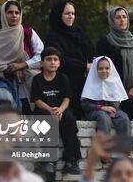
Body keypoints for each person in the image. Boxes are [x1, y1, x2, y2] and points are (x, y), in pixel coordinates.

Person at [0, 0, 44, 114]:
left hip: (28, 86)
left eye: (17, 12)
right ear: (4, 14)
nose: (14, 15)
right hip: (4, 84)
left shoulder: (28, 33)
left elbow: (42, 56)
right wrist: (10, 68)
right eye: (10, 12)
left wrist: (23, 65)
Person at [30, 47, 82, 175]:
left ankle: (71, 160)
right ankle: (47, 162)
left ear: (59, 63)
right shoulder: (37, 79)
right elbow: (37, 100)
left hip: (61, 109)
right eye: (49, 59)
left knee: (69, 120)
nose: (52, 62)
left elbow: (67, 98)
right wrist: (50, 110)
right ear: (42, 63)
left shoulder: (63, 78)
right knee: (44, 121)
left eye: (55, 59)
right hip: (43, 109)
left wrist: (60, 110)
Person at [96, 6, 133, 120]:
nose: (122, 20)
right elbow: (101, 70)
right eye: (118, 17)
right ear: (112, 21)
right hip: (112, 96)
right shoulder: (104, 44)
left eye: (124, 17)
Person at [45, 0, 94, 119]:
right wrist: (84, 66)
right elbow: (60, 59)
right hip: (65, 83)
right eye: (67, 13)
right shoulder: (53, 36)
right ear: (59, 15)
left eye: (73, 13)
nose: (71, 16)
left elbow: (91, 52)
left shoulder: (79, 33)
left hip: (84, 82)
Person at [81, 57, 131, 147]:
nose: (104, 71)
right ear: (95, 70)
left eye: (107, 68)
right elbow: (84, 105)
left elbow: (117, 101)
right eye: (100, 68)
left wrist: (111, 108)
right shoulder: (90, 83)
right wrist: (101, 107)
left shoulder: (114, 82)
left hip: (112, 110)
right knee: (103, 117)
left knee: (124, 118)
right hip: (95, 110)